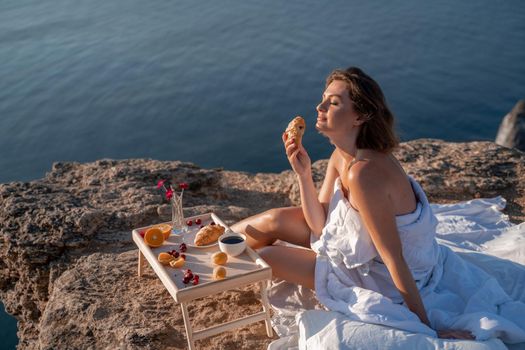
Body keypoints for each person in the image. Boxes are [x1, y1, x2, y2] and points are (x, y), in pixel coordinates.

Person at [231, 67, 515, 341]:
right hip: (362, 249)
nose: (319, 108)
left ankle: (204, 266)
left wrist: (426, 326)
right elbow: (321, 225)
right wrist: (303, 175)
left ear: (360, 116)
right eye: (322, 100)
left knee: (265, 258)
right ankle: (200, 247)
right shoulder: (340, 156)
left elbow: (393, 257)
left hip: (381, 274)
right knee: (273, 220)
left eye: (333, 103)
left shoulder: (364, 173)